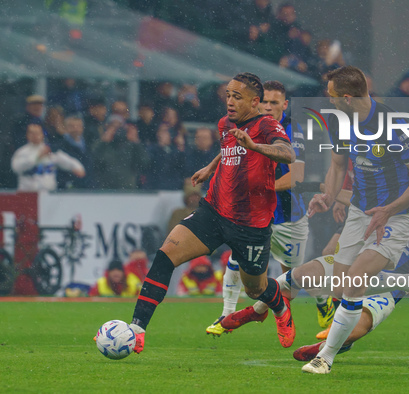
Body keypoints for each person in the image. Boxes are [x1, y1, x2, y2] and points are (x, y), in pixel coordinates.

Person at [124, 72, 296, 354]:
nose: (229, 101)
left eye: (237, 97)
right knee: (166, 256)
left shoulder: (267, 124)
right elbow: (227, 146)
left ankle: (279, 307)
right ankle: (137, 330)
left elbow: (287, 153)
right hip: (214, 211)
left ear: (255, 102)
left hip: (250, 224)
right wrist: (211, 167)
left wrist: (254, 146)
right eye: (228, 95)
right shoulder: (225, 124)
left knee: (255, 289)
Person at [229, 176, 409, 366]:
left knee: (359, 323)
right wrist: (323, 190)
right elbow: (360, 201)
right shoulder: (407, 209)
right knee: (302, 274)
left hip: (388, 291)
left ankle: (328, 346)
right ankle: (260, 308)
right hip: (356, 265)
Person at [301, 66, 409, 374]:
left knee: (352, 283)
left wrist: (390, 209)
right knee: (340, 287)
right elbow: (337, 166)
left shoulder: (395, 127)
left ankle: (326, 358)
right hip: (360, 212)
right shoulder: (339, 123)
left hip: (396, 216)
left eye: (332, 96)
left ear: (348, 98)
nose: (329, 101)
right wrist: (330, 196)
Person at [206, 80, 317, 335]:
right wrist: (212, 168)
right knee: (236, 260)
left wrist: (263, 188)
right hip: (255, 213)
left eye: (274, 103)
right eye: (264, 101)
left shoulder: (293, 130)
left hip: (288, 215)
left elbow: (296, 176)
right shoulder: (248, 123)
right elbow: (230, 149)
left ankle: (307, 305)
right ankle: (226, 316)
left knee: (293, 278)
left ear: (284, 105)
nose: (268, 106)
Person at [11, 123, 85, 192]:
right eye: (32, 133)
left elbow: (70, 162)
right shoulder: (22, 152)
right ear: (27, 135)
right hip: (27, 193)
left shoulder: (49, 150)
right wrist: (37, 157)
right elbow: (16, 168)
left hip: (48, 193)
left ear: (42, 134)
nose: (35, 136)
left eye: (37, 133)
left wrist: (78, 168)